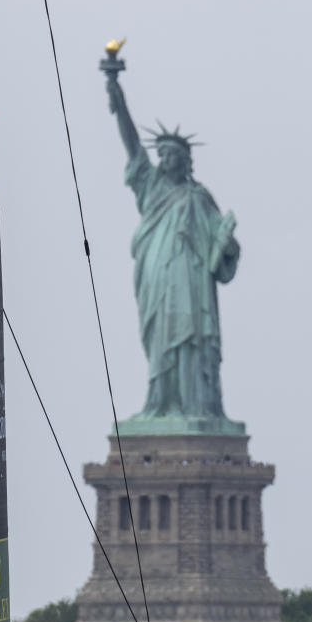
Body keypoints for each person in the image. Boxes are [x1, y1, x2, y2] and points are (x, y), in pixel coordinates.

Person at [106, 73, 240, 420]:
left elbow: (222, 251)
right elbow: (131, 143)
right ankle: (160, 403)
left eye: (171, 155)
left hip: (192, 282)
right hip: (157, 276)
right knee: (162, 339)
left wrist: (226, 243)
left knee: (192, 340)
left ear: (185, 159)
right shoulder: (150, 187)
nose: (164, 160)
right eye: (161, 154)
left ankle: (198, 406)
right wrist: (116, 93)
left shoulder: (199, 198)